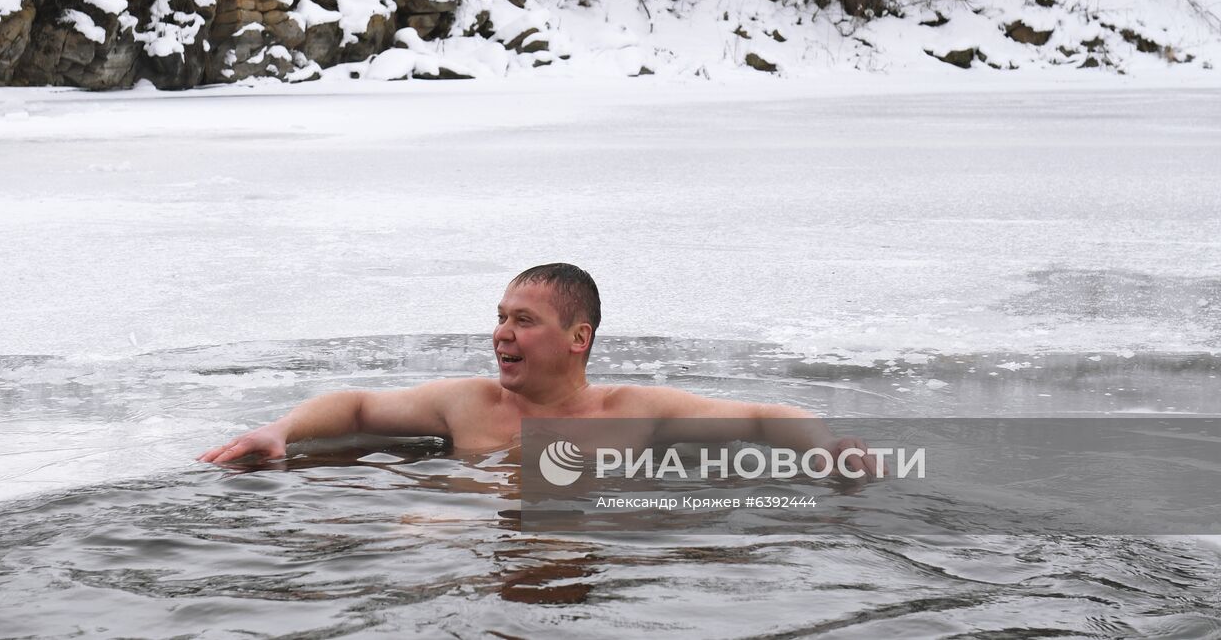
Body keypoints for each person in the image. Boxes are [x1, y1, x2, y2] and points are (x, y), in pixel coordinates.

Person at [198, 263, 872, 473]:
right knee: (421, 525)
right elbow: (354, 406)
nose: (500, 333)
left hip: (576, 544)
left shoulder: (631, 413)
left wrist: (829, 447)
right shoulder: (468, 405)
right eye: (500, 316)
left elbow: (759, 416)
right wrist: (280, 429)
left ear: (579, 337)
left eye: (524, 320)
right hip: (462, 550)